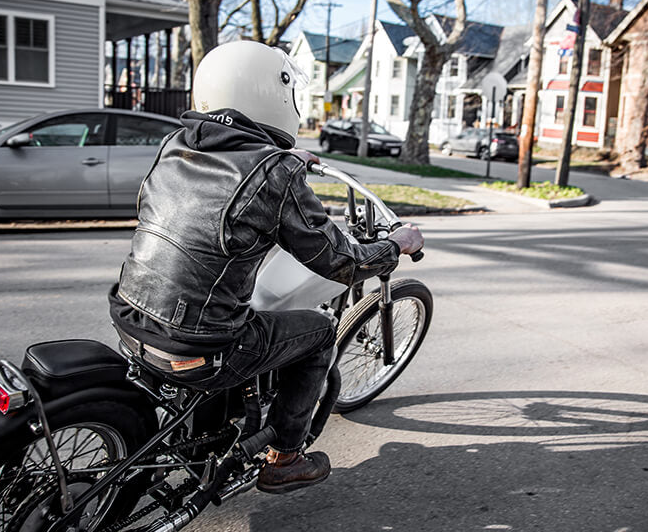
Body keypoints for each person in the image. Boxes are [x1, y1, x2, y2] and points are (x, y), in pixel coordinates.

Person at [109, 40, 423, 494]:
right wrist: (395, 244)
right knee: (316, 333)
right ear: (276, 94)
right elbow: (338, 261)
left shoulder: (175, 145)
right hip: (197, 344)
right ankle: (285, 458)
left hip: (129, 318)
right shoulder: (274, 174)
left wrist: (285, 161)